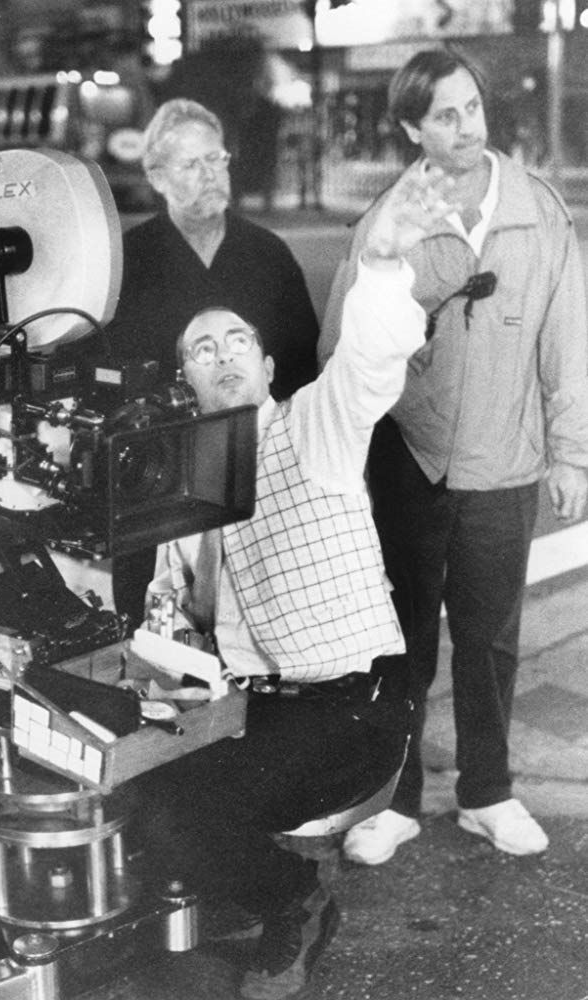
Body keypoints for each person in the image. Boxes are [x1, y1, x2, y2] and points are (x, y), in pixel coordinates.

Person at [125, 163, 457, 1000]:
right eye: (202, 349)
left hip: (352, 704)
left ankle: (296, 901)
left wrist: (383, 262)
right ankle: (236, 881)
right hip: (251, 708)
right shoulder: (186, 485)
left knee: (189, 813)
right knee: (140, 796)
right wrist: (164, 656)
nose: (221, 354)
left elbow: (370, 362)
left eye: (237, 340)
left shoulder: (317, 427)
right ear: (186, 380)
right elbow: (169, 620)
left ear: (270, 366)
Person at [318, 47, 588, 867]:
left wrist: (572, 455)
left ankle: (487, 792)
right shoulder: (388, 218)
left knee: (491, 639)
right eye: (444, 115)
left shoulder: (540, 212)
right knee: (399, 636)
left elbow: (568, 342)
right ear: (412, 130)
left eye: (471, 107)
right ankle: (392, 799)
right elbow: (340, 349)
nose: (466, 126)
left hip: (507, 458)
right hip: (413, 457)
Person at [106, 98, 320, 629]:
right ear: (157, 177)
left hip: (256, 478)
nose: (209, 174)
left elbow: (302, 370)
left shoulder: (267, 255)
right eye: (190, 164)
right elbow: (103, 378)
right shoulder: (127, 263)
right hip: (155, 486)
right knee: (153, 635)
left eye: (216, 159)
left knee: (258, 629)